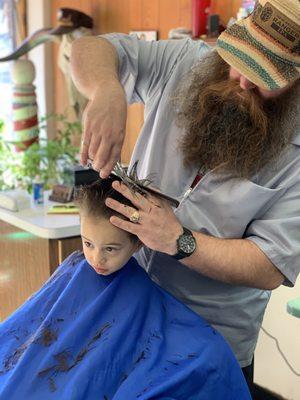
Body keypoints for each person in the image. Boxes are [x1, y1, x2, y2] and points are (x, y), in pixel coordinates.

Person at [70, 0, 300, 392]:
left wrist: (180, 241)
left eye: (265, 76)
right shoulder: (185, 63)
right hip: (128, 312)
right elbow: (90, 49)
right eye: (241, 61)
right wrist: (106, 88)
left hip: (210, 344)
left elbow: (269, 265)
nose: (243, 81)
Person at [0, 176, 251, 399]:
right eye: (88, 243)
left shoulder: (140, 295)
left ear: (138, 244)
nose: (97, 259)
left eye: (110, 248)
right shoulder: (75, 270)